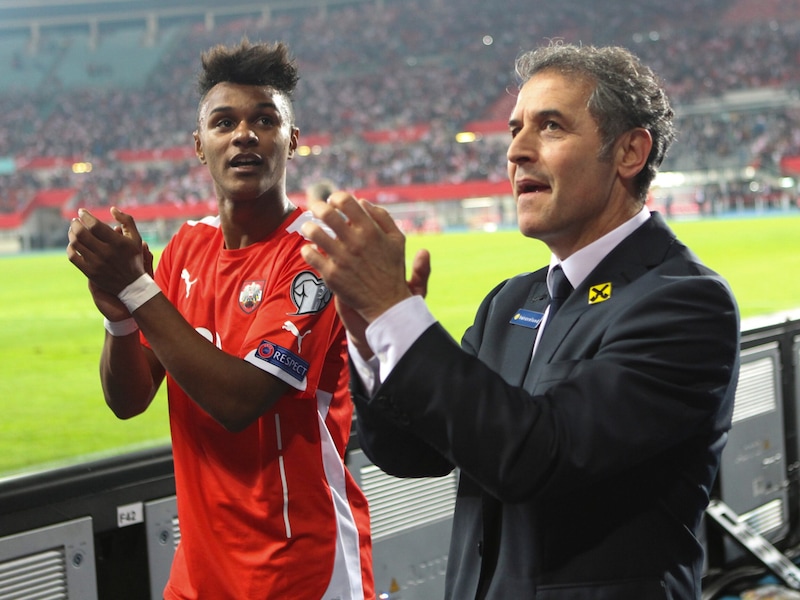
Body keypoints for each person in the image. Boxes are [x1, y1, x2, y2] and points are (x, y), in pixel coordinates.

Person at [301, 42, 740, 599]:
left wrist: (398, 312)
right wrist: (371, 340)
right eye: (514, 130)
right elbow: (412, 454)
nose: (517, 151)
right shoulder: (508, 303)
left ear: (629, 152)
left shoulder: (684, 303)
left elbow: (538, 456)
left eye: (550, 127)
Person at [67, 39, 373, 600]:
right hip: (200, 572)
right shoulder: (187, 247)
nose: (244, 135)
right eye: (224, 122)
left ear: (293, 140)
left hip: (298, 568)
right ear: (199, 146)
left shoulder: (314, 255)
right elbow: (128, 401)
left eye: (265, 119)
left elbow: (239, 402)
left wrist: (136, 289)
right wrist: (120, 319)